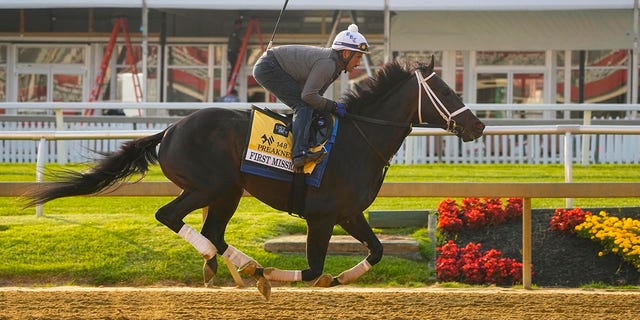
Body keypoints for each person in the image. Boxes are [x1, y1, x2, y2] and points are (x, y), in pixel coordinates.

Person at [252, 24, 368, 170]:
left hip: (273, 64)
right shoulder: (328, 65)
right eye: (358, 57)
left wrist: (328, 108)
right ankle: (299, 155)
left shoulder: (335, 66)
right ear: (345, 54)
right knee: (303, 105)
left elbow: (316, 98)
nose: (358, 63)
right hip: (268, 67)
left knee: (308, 106)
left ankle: (299, 145)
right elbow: (308, 96)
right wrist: (333, 106)